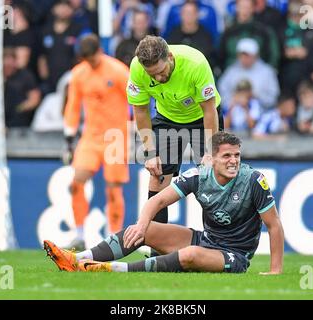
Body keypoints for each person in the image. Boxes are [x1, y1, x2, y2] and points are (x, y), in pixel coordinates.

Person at [44, 132, 284, 274]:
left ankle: (110, 269)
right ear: (211, 159)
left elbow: (274, 225)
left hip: (234, 255)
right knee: (144, 229)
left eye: (237, 156)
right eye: (227, 156)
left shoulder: (253, 180)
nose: (233, 161)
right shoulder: (198, 176)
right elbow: (158, 200)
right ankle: (76, 260)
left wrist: (275, 271)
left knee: (190, 255)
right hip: (207, 239)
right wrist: (140, 226)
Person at [127, 35, 223, 228]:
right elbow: (140, 110)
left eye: (161, 71)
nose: (158, 79)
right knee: (157, 176)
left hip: (201, 118)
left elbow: (209, 110)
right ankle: (157, 248)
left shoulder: (195, 63)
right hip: (168, 118)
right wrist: (150, 153)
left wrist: (210, 152)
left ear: (170, 57)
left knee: (211, 179)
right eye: (152, 75)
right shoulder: (137, 68)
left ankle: (216, 243)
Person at [63, 34, 131, 250]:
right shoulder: (79, 74)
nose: (90, 63)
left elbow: (136, 99)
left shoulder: (119, 71)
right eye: (87, 60)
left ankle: (113, 238)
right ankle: (79, 234)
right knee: (76, 182)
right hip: (90, 137)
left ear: (99, 51)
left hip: (115, 138)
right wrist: (68, 138)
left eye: (92, 59)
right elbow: (73, 106)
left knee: (113, 189)